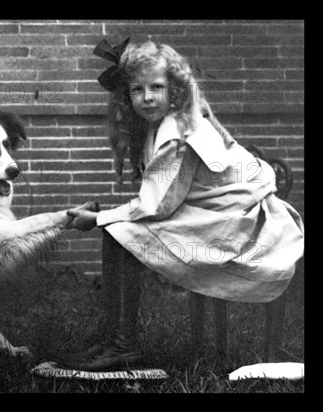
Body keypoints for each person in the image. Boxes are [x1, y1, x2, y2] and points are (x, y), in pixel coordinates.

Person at [62, 39, 304, 371]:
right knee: (117, 231)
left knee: (117, 231)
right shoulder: (161, 124)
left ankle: (121, 345)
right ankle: (113, 339)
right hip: (215, 212)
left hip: (244, 225)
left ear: (174, 90)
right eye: (137, 90)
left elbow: (157, 206)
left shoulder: (179, 132)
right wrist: (105, 217)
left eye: (156, 87)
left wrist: (98, 217)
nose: (147, 97)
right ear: (126, 95)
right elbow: (161, 197)